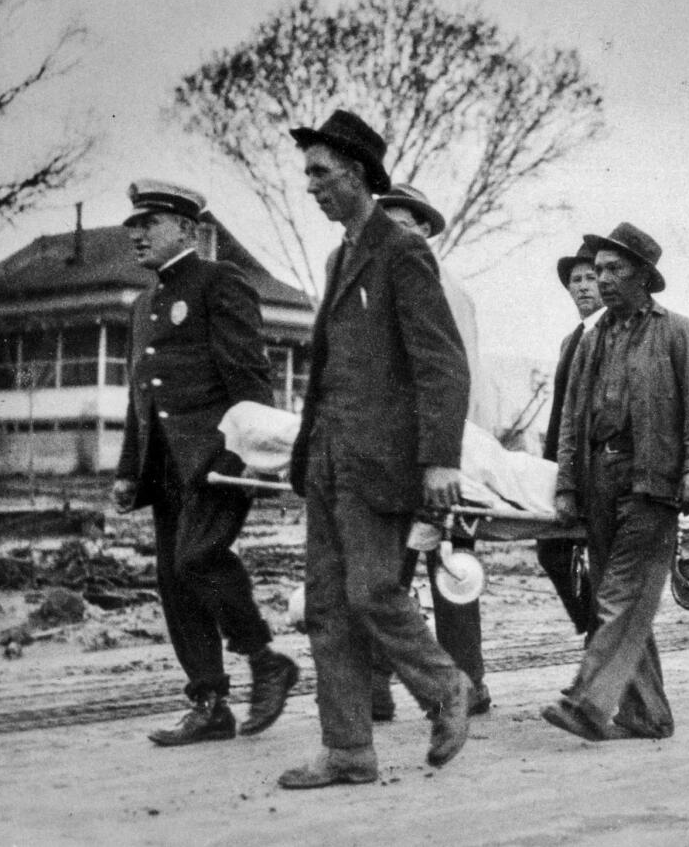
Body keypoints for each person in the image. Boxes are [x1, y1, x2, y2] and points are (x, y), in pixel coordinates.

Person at [278, 110, 472, 788]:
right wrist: (306, 452)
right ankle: (349, 749)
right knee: (326, 604)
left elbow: (441, 363)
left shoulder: (403, 250)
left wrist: (440, 456)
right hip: (329, 455)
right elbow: (329, 364)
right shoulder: (339, 257)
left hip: (380, 459)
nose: (310, 186)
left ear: (357, 174)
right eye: (308, 174)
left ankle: (446, 686)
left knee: (370, 591)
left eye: (320, 173)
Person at [113, 180, 298, 746]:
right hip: (164, 464)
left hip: (218, 457)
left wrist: (241, 451)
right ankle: (210, 704)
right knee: (174, 579)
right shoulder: (143, 304)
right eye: (133, 226)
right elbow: (139, 396)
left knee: (197, 559)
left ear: (188, 230)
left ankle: (266, 660)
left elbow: (250, 376)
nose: (137, 234)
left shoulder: (220, 282)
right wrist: (126, 469)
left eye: (150, 223)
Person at [543, 222, 689, 741]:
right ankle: (647, 714)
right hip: (601, 480)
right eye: (597, 270)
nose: (602, 279)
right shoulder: (593, 339)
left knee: (619, 594)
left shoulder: (677, 331)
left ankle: (588, 702)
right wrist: (568, 487)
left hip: (654, 483)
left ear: (644, 276)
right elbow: (574, 417)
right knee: (618, 595)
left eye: (615, 269)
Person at [373, 183, 492, 720]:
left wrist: (454, 457)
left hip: (445, 453)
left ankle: (467, 682)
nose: (392, 235)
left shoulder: (446, 287)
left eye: (403, 225)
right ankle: (375, 685)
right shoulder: (379, 284)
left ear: (424, 230)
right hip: (388, 453)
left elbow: (458, 372)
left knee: (452, 573)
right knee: (383, 574)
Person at [536, 241, 605, 636]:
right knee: (552, 550)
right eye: (575, 280)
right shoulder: (571, 340)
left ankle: (599, 653)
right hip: (563, 465)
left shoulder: (611, 334)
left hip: (596, 468)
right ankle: (594, 636)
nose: (581, 287)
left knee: (597, 562)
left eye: (590, 278)